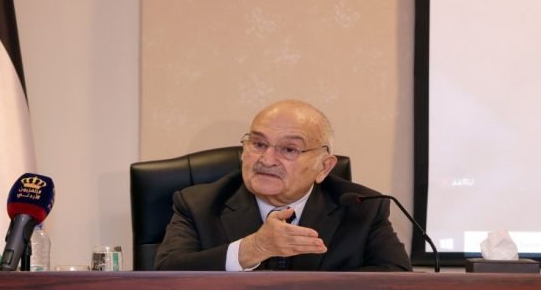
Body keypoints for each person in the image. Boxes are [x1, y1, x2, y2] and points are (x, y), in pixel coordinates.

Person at [155, 99, 412, 271]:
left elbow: (396, 279)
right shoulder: (199, 205)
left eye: (289, 149)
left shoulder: (363, 207)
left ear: (324, 167)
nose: (267, 160)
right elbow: (166, 275)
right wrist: (253, 248)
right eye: (258, 144)